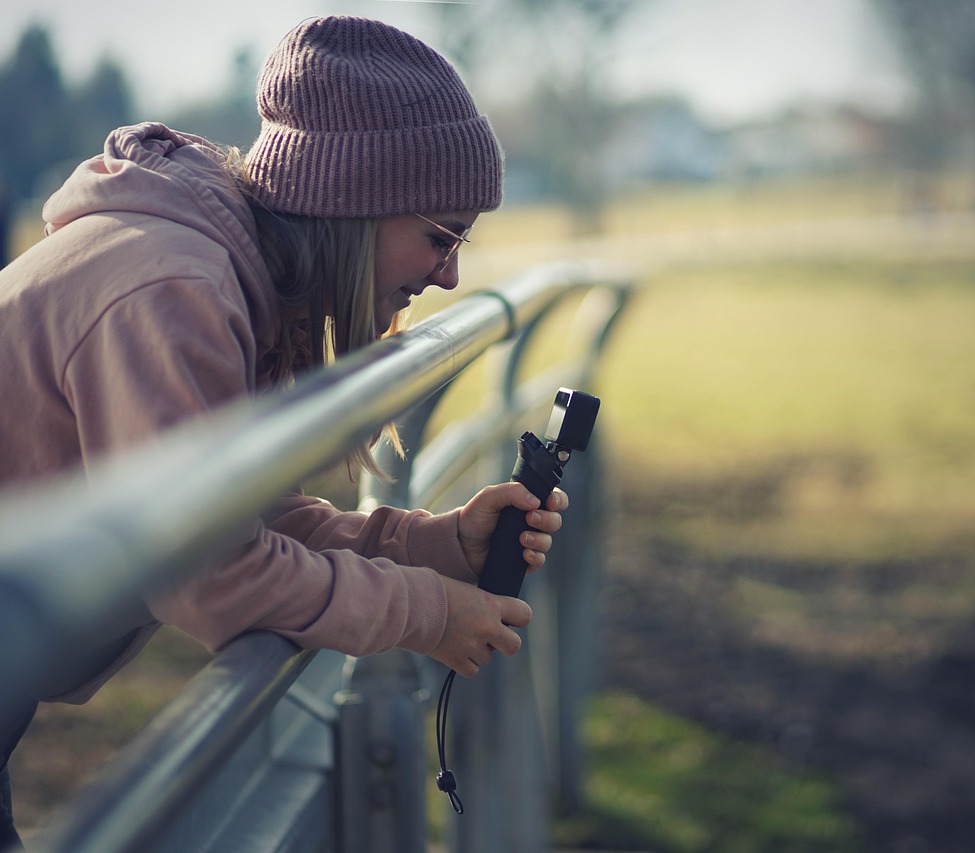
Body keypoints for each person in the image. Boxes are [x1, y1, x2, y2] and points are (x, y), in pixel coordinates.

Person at [0, 16, 567, 847]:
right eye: (439, 236)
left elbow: (242, 519)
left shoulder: (227, 275)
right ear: (354, 204)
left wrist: (433, 544)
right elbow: (213, 575)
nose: (450, 275)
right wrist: (425, 611)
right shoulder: (175, 288)